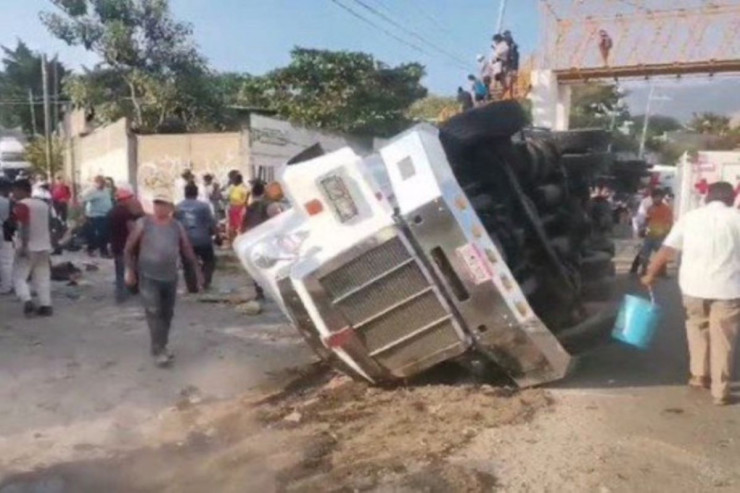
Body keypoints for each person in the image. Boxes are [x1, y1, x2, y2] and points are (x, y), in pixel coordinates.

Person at [643, 182, 740, 406]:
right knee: (723, 339)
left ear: (707, 197)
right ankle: (720, 390)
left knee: (697, 328)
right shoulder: (737, 218)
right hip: (729, 289)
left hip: (693, 287)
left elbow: (668, 249)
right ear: (730, 198)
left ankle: (698, 375)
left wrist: (650, 274)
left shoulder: (690, 218)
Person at [124, 191, 203, 367]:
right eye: (157, 203)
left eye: (163, 204)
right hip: (148, 275)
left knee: (166, 314)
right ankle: (159, 350)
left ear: (170, 208)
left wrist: (197, 273)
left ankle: (161, 345)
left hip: (170, 276)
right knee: (153, 312)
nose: (159, 207)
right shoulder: (143, 224)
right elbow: (128, 249)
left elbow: (187, 250)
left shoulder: (176, 226)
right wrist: (130, 271)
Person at [11, 179, 53, 317]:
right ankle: (45, 305)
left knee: (19, 276)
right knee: (42, 276)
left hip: (29, 246)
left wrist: (23, 245)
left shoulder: (22, 205)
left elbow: (24, 226)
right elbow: (51, 223)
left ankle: (27, 301)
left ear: (22, 190)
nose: (13, 193)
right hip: (44, 245)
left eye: (15, 190)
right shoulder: (43, 204)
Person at [176, 182, 218, 292]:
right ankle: (205, 281)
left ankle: (192, 287)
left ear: (185, 193)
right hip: (203, 239)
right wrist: (217, 235)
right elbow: (211, 222)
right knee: (209, 261)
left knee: (187, 264)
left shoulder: (178, 207)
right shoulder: (204, 206)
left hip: (185, 240)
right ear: (196, 193)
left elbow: (174, 225)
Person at [110, 184, 144, 302]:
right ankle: (127, 294)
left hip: (115, 245)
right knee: (129, 269)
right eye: (130, 198)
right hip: (125, 246)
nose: (131, 200)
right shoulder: (125, 213)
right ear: (125, 199)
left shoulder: (112, 211)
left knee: (119, 272)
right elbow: (131, 230)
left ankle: (120, 295)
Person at [637, 189, 673, 275]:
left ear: (661, 198)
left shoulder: (666, 209)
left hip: (660, 236)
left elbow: (669, 222)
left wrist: (667, 233)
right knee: (645, 254)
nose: (656, 199)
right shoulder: (650, 208)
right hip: (649, 235)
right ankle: (644, 270)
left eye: (658, 197)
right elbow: (647, 220)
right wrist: (642, 229)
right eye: (654, 197)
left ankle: (663, 272)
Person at [82, 175, 113, 257]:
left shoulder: (106, 190)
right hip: (95, 215)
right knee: (98, 234)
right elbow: (83, 201)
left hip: (106, 214)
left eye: (103, 182)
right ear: (96, 183)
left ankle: (104, 251)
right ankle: (92, 249)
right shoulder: (91, 191)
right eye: (101, 183)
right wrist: (83, 214)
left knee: (105, 234)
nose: (103, 184)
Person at [0, 177, 14, 295]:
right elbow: (8, 220)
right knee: (6, 260)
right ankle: (6, 286)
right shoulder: (6, 201)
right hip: (3, 232)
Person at [227, 173, 249, 243]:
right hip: (233, 209)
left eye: (234, 179)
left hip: (240, 208)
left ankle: (239, 241)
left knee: (239, 226)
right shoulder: (232, 188)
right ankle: (232, 241)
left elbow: (246, 200)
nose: (233, 181)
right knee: (232, 226)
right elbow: (229, 198)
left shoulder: (243, 188)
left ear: (238, 180)